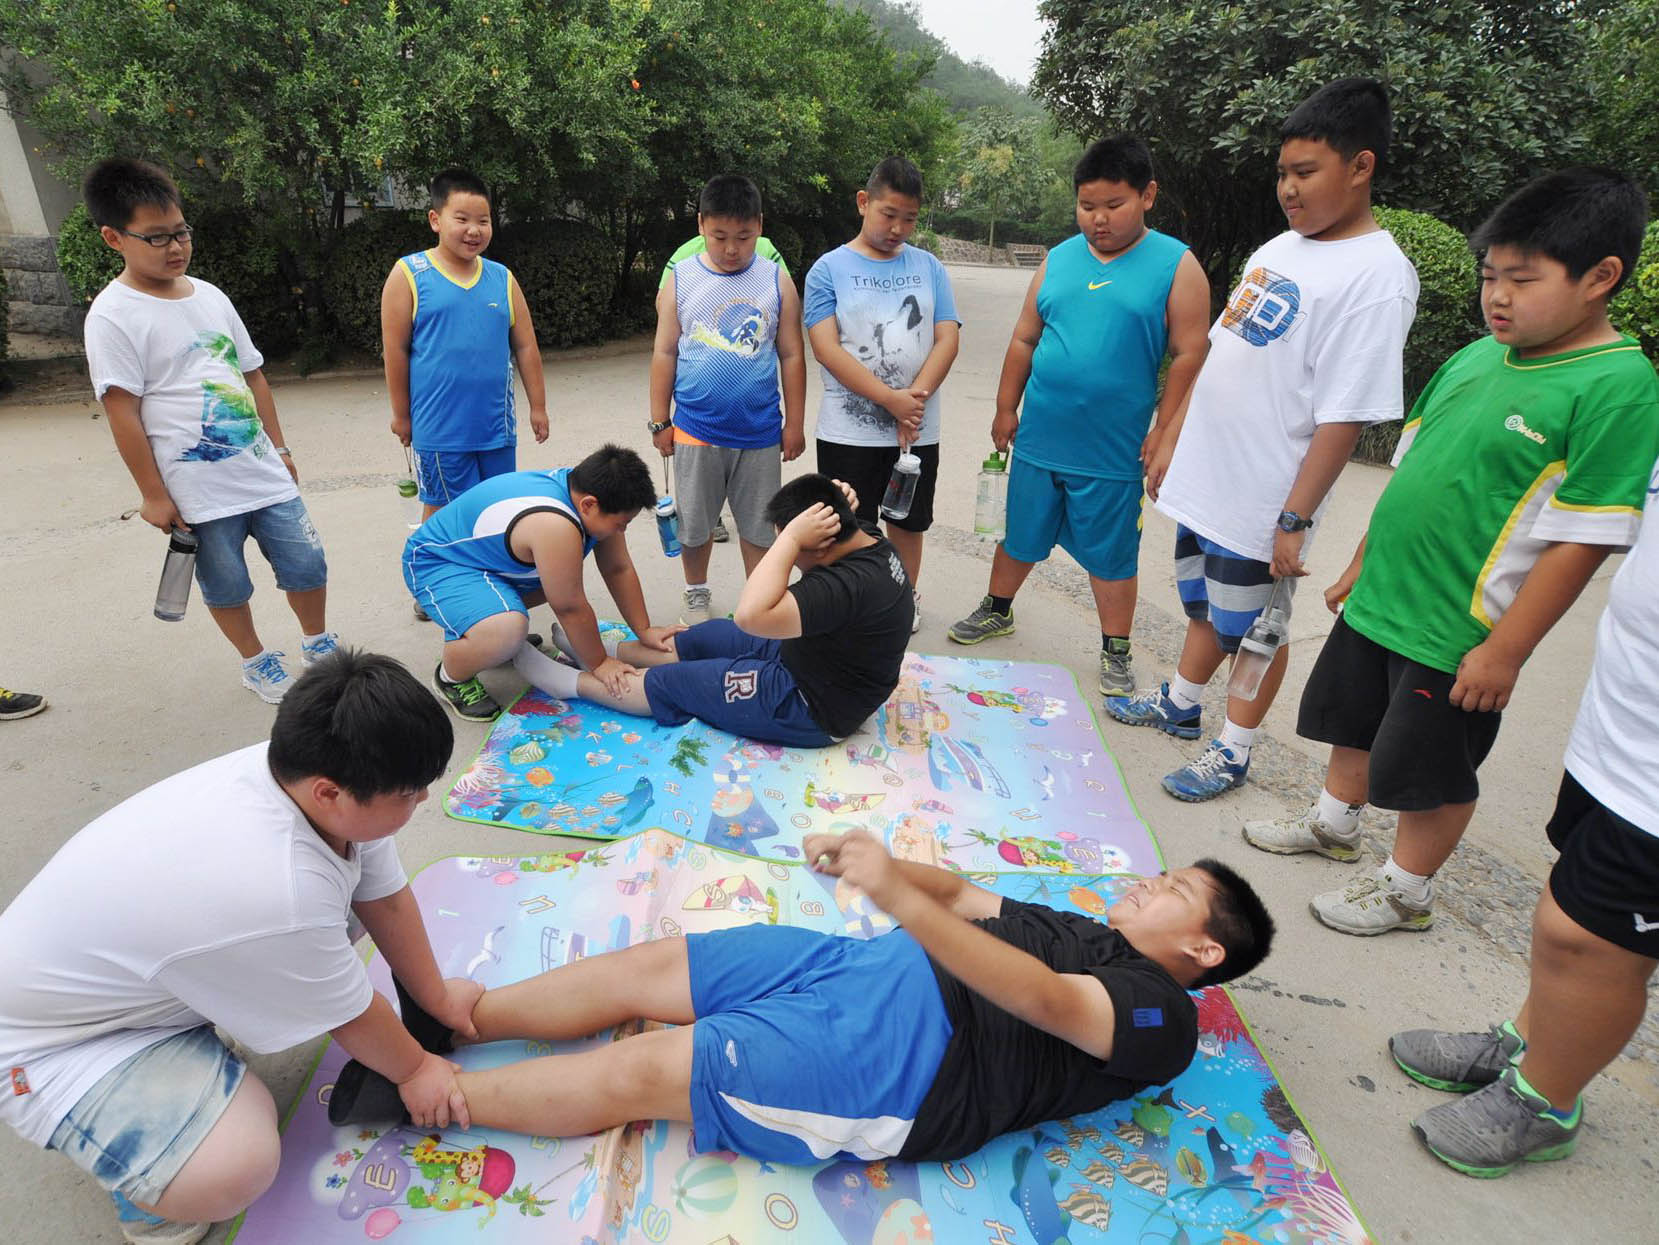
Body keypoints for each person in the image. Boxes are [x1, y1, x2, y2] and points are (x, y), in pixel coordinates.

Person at [1242, 167, 1659, 936]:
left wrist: (1504, 650)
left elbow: (1582, 539)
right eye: (1488, 275)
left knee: (1430, 769)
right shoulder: (1474, 358)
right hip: (1382, 598)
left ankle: (1407, 888)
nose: (1496, 296)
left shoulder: (1618, 387)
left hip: (1459, 629)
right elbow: (1412, 477)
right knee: (1353, 721)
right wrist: (1363, 557)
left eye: (1522, 279)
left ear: (1601, 277)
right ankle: (1334, 823)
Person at [328, 828, 1275, 1165]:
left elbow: (1043, 1000)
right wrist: (882, 864)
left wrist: (897, 894)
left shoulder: (1166, 1015)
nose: (1150, 883)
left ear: (1202, 945)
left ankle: (424, 1093)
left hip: (909, 1070)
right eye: (1160, 871)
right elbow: (958, 896)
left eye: (1176, 891)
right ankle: (462, 1015)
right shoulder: (1086, 925)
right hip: (860, 966)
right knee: (662, 967)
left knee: (655, 1065)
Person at [0, 651, 480, 1245]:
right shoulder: (274, 883)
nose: (422, 803)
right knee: (236, 1165)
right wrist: (416, 1069)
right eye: (409, 794)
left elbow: (386, 899)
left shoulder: (312, 777)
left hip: (139, 982)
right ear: (331, 793)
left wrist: (433, 998)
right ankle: (149, 1196)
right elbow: (348, 1013)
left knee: (333, 919)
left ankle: (200, 1030)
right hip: (56, 1044)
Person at [1107, 79, 1418, 802]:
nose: (1287, 188)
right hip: (1206, 479)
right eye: (1282, 172)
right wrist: (1170, 435)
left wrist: (1293, 518)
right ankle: (1181, 705)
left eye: (1304, 173)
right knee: (1204, 609)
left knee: (1254, 628)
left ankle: (1233, 749)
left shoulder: (1377, 277)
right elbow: (1218, 350)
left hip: (1263, 495)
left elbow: (1345, 417)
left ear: (1360, 166)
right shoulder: (1281, 246)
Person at [1388, 449, 1659, 1177]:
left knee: (1586, 938)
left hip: (1650, 777)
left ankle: (1545, 1102)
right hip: (1620, 730)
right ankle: (1530, 1045)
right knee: (1567, 906)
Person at [948, 136, 1211, 696]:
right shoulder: (1059, 259)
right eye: (1087, 206)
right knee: (1018, 532)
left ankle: (1116, 647)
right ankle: (998, 608)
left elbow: (1191, 354)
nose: (1098, 219)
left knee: (1112, 553)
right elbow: (1024, 337)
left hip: (1114, 450)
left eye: (1113, 205)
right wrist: (1004, 406)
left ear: (1148, 196)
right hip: (1041, 436)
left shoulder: (1176, 265)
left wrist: (1165, 431)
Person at [82, 158, 339, 703]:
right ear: (113, 237)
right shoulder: (112, 315)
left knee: (306, 561)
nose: (175, 247)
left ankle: (317, 643)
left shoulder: (210, 295)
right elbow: (121, 411)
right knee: (225, 583)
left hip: (260, 468)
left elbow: (252, 375)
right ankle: (256, 661)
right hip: (195, 488)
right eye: (157, 238)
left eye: (181, 232)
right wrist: (153, 494)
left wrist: (281, 445)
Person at [513, 475, 912, 747]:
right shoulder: (866, 539)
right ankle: (601, 654)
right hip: (812, 658)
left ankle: (568, 683)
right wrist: (831, 498)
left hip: (810, 705)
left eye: (798, 554)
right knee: (704, 636)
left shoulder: (843, 587)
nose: (794, 560)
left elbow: (751, 614)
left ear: (822, 544)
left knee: (676, 683)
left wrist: (788, 540)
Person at [403, 444, 679, 723]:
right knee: (509, 627)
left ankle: (489, 632)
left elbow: (617, 568)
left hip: (484, 566)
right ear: (589, 504)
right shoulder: (555, 523)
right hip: (436, 563)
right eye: (621, 523)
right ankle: (452, 675)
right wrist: (600, 664)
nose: (623, 530)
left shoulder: (589, 493)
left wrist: (644, 629)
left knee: (555, 582)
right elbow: (569, 606)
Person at [805, 156, 961, 631]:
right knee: (845, 522)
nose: (897, 228)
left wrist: (914, 398)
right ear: (863, 202)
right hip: (847, 432)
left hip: (915, 431)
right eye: (888, 214)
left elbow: (947, 336)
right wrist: (889, 399)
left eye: (909, 219)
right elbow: (826, 348)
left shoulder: (929, 267)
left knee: (909, 522)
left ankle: (902, 600)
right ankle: (846, 600)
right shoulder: (828, 269)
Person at [650, 174, 806, 624]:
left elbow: (792, 355)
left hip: (759, 432)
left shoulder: (776, 280)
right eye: (720, 236)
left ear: (760, 225)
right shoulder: (682, 279)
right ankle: (696, 591)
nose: (732, 248)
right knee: (695, 524)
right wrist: (661, 421)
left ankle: (757, 601)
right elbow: (664, 352)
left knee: (760, 525)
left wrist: (792, 423)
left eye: (744, 236)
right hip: (695, 428)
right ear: (701, 225)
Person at [382, 168, 548, 534]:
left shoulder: (501, 277)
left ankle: (489, 582)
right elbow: (395, 351)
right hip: (439, 429)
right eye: (462, 219)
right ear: (435, 220)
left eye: (483, 221)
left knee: (498, 508)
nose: (474, 230)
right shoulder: (409, 274)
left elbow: (525, 346)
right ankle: (431, 579)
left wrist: (538, 406)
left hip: (495, 427)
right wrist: (401, 414)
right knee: (445, 514)